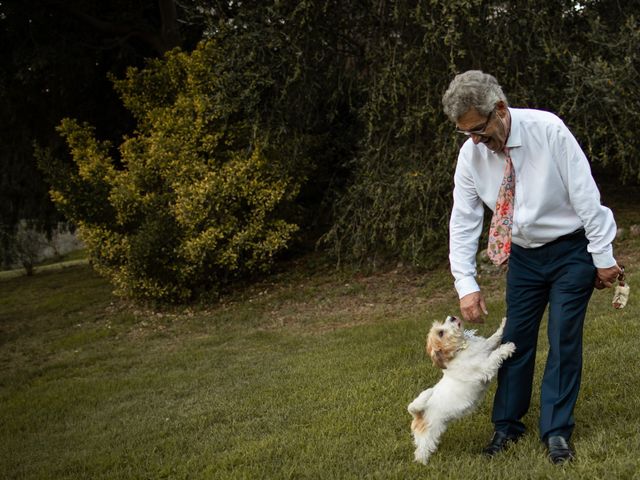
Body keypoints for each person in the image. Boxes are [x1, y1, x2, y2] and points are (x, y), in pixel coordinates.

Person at [441, 70, 622, 464]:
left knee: (563, 338)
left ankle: (556, 431)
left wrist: (603, 258)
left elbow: (585, 195)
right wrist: (466, 283)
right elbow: (464, 219)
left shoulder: (548, 130)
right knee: (514, 341)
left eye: (480, 130)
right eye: (465, 133)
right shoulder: (471, 155)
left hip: (572, 251)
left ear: (500, 110)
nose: (475, 141)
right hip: (522, 256)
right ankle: (506, 426)